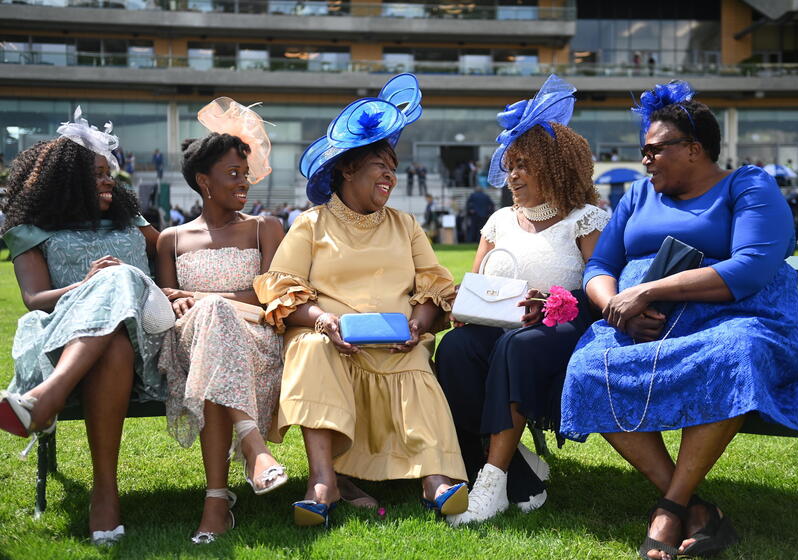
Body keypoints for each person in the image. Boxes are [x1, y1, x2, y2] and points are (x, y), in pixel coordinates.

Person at [560, 81, 798, 559]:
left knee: (737, 352)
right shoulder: (635, 197)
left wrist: (646, 289)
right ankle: (695, 508)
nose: (645, 159)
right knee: (587, 370)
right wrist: (615, 308)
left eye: (655, 149)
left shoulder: (747, 185)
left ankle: (668, 509)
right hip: (645, 329)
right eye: (642, 150)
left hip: (745, 318)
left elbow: (751, 265)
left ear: (693, 149)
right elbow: (599, 266)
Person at [253, 73, 468, 527]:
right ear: (348, 169)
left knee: (415, 361)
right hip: (333, 341)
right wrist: (322, 320)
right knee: (312, 348)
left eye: (394, 167)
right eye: (381, 164)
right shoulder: (311, 223)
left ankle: (435, 480)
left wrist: (419, 323)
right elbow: (282, 287)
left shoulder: (405, 224)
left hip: (396, 340)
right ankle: (323, 483)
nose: (391, 174)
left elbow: (435, 286)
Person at [436, 75, 608, 526]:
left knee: (516, 347)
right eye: (509, 166)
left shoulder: (586, 219)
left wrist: (552, 300)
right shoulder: (497, 221)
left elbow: (599, 284)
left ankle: (491, 484)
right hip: (500, 325)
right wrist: (465, 307)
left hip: (561, 326)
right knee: (454, 350)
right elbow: (474, 282)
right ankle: (518, 469)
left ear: (555, 167)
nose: (511, 176)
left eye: (522, 166)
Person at [0, 110, 164, 545]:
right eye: (96, 175)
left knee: (120, 281)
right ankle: (104, 494)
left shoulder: (133, 221)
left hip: (143, 342)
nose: (109, 181)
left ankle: (42, 402)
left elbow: (174, 259)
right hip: (65, 339)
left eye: (109, 174)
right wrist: (89, 285)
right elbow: (35, 300)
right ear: (66, 181)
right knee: (112, 322)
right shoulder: (29, 230)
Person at [156, 100, 286, 544]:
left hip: (256, 340)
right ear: (203, 182)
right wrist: (188, 303)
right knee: (210, 323)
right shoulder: (171, 239)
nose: (244, 182)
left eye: (245, 173)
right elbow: (169, 304)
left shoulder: (264, 227)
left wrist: (198, 298)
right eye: (233, 174)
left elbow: (271, 294)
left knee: (213, 319)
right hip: (189, 347)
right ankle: (253, 447)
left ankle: (217, 500)